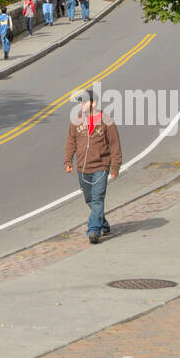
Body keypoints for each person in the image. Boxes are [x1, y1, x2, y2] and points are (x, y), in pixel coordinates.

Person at [64, 88, 122, 243]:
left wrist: (115, 167)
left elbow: (115, 145)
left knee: (97, 199)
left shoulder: (106, 120)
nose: (81, 105)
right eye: (80, 102)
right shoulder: (76, 120)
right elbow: (71, 142)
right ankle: (102, 223)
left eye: (84, 102)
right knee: (89, 199)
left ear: (93, 103)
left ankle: (93, 230)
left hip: (101, 166)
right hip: (83, 168)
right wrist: (68, 161)